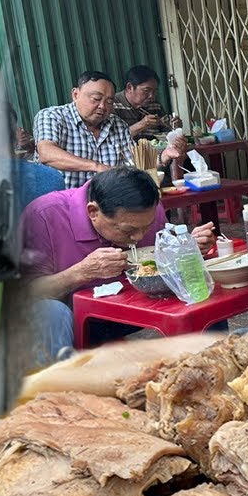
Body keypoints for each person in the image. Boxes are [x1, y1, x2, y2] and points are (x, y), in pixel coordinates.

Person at [20, 167, 213, 365]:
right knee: (49, 313)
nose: (138, 237)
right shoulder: (44, 216)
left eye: (146, 227)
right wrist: (81, 272)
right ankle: (55, 390)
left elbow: (163, 263)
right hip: (75, 318)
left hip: (132, 309)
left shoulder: (146, 212)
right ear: (93, 212)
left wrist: (187, 248)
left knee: (201, 294)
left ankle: (209, 370)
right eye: (128, 230)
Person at [34, 70, 185, 188]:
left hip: (107, 206)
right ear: (75, 94)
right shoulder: (52, 116)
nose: (102, 106)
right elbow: (46, 154)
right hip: (62, 204)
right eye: (96, 99)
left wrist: (164, 157)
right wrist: (96, 167)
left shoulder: (117, 125)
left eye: (109, 101)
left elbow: (136, 166)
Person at [112, 64, 181, 141]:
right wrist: (142, 125)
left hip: (154, 151)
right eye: (146, 90)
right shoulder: (112, 104)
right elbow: (112, 138)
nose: (151, 96)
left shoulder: (155, 105)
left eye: (155, 91)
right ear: (129, 87)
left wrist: (175, 128)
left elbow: (167, 133)